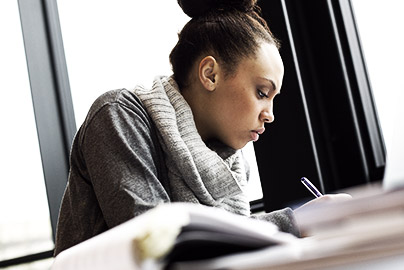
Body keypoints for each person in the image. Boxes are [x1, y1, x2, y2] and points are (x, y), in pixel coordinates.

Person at [54, 0, 350, 256]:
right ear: (210, 74)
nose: (269, 115)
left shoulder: (229, 167)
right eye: (261, 92)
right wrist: (296, 222)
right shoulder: (118, 115)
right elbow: (158, 243)